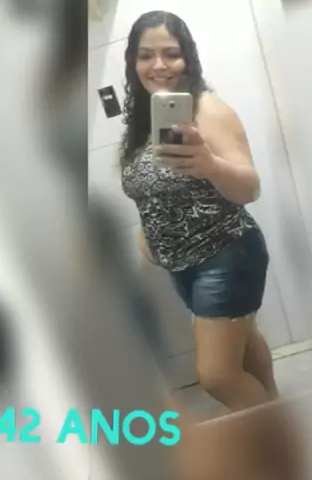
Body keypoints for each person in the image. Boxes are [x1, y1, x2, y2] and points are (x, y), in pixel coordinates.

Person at [120, 10, 279, 412]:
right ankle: (272, 407)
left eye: (171, 54)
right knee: (243, 346)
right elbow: (152, 191)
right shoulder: (144, 118)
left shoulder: (207, 109)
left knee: (217, 375)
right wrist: (147, 234)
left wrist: (211, 164)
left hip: (225, 254)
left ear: (188, 57)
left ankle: (271, 439)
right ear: (133, 61)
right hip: (183, 265)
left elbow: (250, 186)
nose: (158, 65)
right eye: (146, 55)